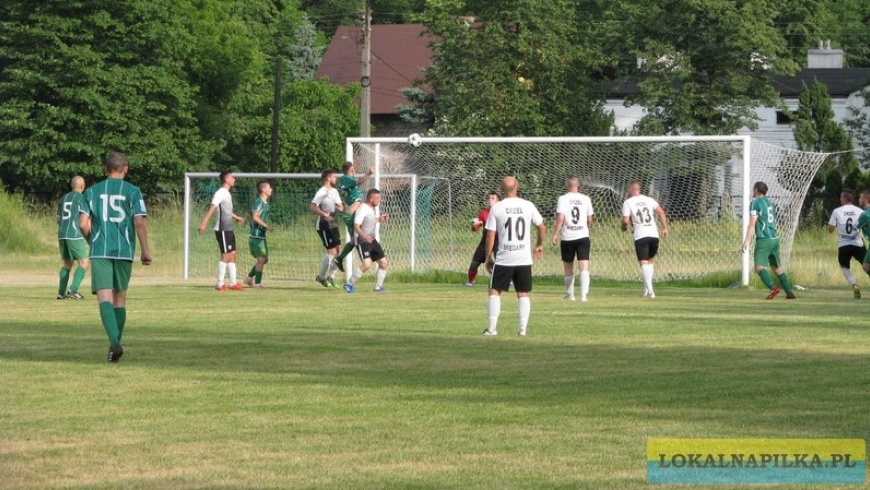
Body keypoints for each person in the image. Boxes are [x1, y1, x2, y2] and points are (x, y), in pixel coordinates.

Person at [79, 152, 152, 363]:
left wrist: (91, 240)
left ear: (105, 168)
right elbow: (139, 222)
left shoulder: (92, 191)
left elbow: (83, 223)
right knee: (120, 298)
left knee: (104, 297)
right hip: (124, 251)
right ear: (126, 168)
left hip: (100, 249)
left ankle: (114, 343)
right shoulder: (133, 191)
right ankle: (115, 346)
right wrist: (145, 250)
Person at [482, 176, 545, 337]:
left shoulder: (497, 208)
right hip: (523, 257)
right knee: (522, 292)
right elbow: (541, 226)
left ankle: (491, 329)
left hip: (504, 257)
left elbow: (490, 235)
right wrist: (538, 244)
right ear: (518, 187)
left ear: (501, 190)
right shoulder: (528, 205)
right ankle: (522, 330)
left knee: (494, 290)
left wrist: (488, 257)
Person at [741, 181, 796, 299]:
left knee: (759, 267)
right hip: (775, 238)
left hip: (764, 239)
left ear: (755, 190)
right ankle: (789, 292)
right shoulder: (769, 202)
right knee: (777, 267)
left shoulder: (755, 203)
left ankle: (773, 288)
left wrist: (746, 240)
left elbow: (752, 223)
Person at [198, 171, 246, 291]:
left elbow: (227, 211)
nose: (234, 179)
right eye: (232, 177)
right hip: (222, 229)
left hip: (229, 228)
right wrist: (204, 223)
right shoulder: (220, 193)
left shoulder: (227, 193)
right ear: (226, 179)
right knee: (225, 255)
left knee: (233, 254)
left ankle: (233, 283)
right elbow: (212, 208)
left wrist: (237, 218)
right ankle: (219, 284)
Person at [621, 179, 669, 298]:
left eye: (628, 189)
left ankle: (651, 290)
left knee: (643, 263)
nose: (627, 191)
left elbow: (626, 221)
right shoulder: (649, 200)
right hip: (653, 234)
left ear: (632, 189)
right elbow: (661, 213)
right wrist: (665, 228)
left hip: (641, 235)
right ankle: (647, 290)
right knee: (650, 261)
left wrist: (623, 227)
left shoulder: (628, 202)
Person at [551, 176, 594, 301]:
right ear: (578, 185)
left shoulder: (563, 199)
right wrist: (587, 226)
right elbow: (590, 219)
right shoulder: (586, 199)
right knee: (584, 266)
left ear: (567, 185)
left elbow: (560, 218)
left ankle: (570, 295)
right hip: (583, 236)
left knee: (568, 267)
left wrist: (555, 233)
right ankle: (584, 296)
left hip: (568, 237)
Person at [344, 188, 389, 293]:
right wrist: (364, 236)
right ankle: (348, 284)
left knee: (384, 263)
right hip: (363, 240)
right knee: (367, 264)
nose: (379, 200)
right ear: (371, 199)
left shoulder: (370, 209)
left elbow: (369, 222)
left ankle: (378, 287)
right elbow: (356, 225)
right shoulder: (363, 208)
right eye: (377, 198)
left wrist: (379, 219)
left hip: (372, 240)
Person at [334, 161, 374, 273]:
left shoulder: (343, 181)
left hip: (350, 214)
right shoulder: (347, 178)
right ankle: (365, 261)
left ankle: (339, 260)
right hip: (351, 215)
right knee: (357, 239)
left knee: (353, 241)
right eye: (354, 169)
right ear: (352, 169)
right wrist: (369, 174)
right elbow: (359, 182)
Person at [827, 189, 866, 298]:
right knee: (867, 265)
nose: (840, 199)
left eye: (841, 197)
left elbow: (830, 229)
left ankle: (854, 284)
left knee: (844, 266)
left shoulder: (837, 211)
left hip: (844, 244)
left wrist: (830, 227)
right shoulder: (860, 211)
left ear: (844, 198)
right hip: (858, 243)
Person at [56, 176, 90, 300]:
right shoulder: (82, 198)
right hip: (75, 234)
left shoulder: (63, 198)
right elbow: (85, 219)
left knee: (67, 263)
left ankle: (61, 293)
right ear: (82, 186)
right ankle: (73, 290)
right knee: (84, 262)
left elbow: (58, 219)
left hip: (62, 234)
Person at [310, 169, 343, 288]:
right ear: (328, 178)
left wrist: (339, 206)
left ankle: (332, 277)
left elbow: (340, 206)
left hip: (333, 222)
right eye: (334, 176)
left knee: (339, 250)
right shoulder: (322, 192)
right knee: (332, 252)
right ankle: (321, 277)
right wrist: (325, 215)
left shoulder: (334, 191)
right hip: (324, 224)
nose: (336, 178)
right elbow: (312, 207)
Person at [465, 191, 500, 286]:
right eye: (489, 198)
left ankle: (509, 281)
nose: (490, 200)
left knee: (502, 262)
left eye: (493, 198)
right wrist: (475, 226)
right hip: (486, 240)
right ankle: (471, 281)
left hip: (499, 240)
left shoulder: (502, 212)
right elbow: (476, 228)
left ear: (498, 201)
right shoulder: (484, 213)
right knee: (474, 263)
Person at [244, 180, 275, 289]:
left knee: (264, 259)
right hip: (255, 235)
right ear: (263, 190)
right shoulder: (258, 202)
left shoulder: (266, 204)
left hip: (261, 235)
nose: (271, 189)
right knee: (261, 259)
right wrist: (266, 226)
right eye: (269, 188)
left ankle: (248, 278)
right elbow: (255, 217)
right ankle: (257, 284)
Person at [854, 189, 870, 283]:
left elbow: (854, 229)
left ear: (865, 199)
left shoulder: (865, 215)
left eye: (860, 197)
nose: (859, 199)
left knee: (866, 266)